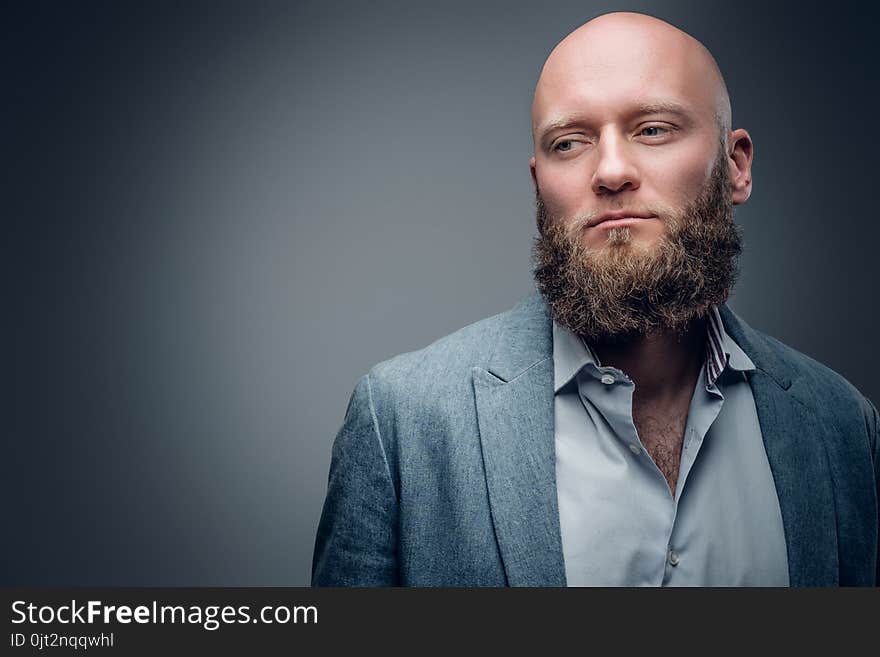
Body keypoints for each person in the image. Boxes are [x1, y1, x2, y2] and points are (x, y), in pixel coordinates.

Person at [311, 12, 879, 586]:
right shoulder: (402, 422)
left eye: (653, 129)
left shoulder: (842, 427)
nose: (609, 171)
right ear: (539, 185)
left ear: (736, 167)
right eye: (569, 142)